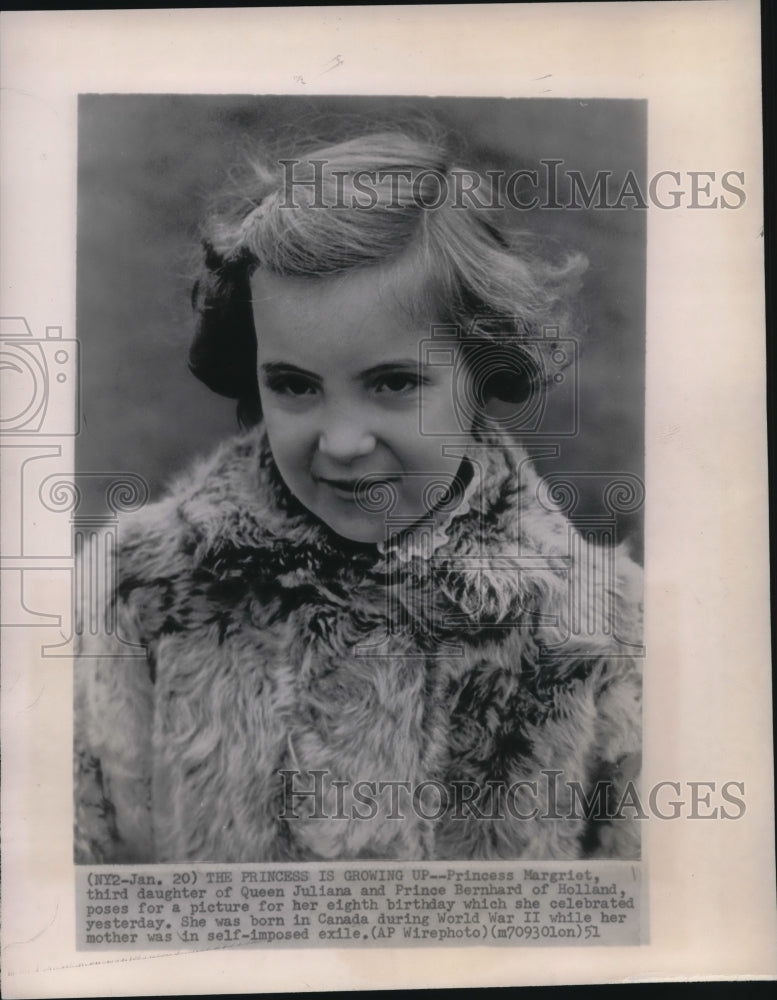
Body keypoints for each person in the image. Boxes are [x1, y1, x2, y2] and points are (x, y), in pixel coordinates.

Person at [74, 128, 643, 864]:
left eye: (393, 383)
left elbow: (644, 917)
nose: (341, 441)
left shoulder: (605, 623)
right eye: (294, 385)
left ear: (482, 370)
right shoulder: (142, 589)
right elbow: (75, 890)